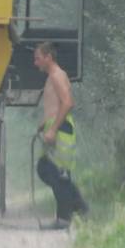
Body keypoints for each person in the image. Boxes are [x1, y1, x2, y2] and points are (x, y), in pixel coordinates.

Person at [33, 41, 87, 230]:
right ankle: (79, 208)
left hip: (61, 129)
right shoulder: (53, 76)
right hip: (56, 126)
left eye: (38, 58)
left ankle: (66, 217)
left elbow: (67, 103)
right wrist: (44, 124)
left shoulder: (56, 76)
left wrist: (53, 129)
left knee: (57, 174)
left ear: (48, 57)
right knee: (47, 169)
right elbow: (55, 105)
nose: (35, 63)